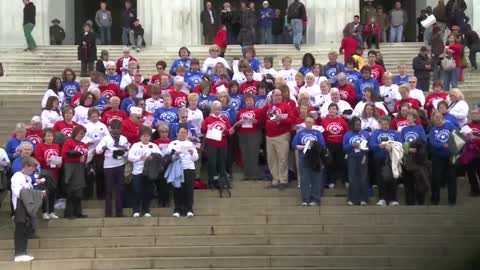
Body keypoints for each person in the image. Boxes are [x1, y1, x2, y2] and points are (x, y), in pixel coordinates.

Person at [11, 156, 43, 262]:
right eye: (32, 168)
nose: (33, 170)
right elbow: (19, 192)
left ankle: (23, 252)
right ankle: (19, 253)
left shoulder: (29, 178)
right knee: (20, 229)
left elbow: (29, 190)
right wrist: (36, 194)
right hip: (20, 206)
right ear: (26, 166)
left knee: (26, 229)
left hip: (27, 206)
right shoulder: (17, 176)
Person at [96, 119, 129, 217]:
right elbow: (97, 150)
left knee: (120, 189)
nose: (116, 130)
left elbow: (128, 151)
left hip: (120, 164)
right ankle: (108, 212)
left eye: (118, 128)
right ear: (110, 128)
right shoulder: (106, 138)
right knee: (109, 190)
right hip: (109, 166)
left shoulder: (123, 138)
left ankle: (119, 212)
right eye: (114, 128)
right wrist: (103, 148)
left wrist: (123, 152)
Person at [261, 89, 294, 189]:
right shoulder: (270, 107)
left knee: (282, 159)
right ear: (272, 96)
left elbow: (292, 119)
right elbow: (262, 117)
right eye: (276, 95)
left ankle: (283, 180)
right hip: (269, 136)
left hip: (282, 135)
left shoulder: (286, 106)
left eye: (280, 95)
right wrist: (265, 106)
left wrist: (282, 119)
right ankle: (275, 180)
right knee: (271, 159)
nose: (278, 97)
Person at [128, 126, 161, 217]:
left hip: (149, 172)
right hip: (137, 172)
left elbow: (159, 156)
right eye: (144, 136)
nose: (146, 138)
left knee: (148, 192)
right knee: (137, 191)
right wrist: (140, 158)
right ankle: (136, 210)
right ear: (140, 136)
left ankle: (146, 210)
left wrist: (152, 157)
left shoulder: (153, 146)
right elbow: (130, 157)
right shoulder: (135, 145)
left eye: (147, 136)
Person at [292, 117, 326, 206]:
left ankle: (315, 199)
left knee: (316, 179)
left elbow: (322, 144)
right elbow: (294, 145)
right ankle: (305, 199)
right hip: (304, 158)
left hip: (315, 159)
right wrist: (304, 147)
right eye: (307, 122)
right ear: (304, 123)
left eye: (311, 122)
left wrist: (313, 145)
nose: (309, 124)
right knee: (304, 179)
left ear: (313, 123)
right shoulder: (300, 133)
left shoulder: (317, 133)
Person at [369, 116, 402, 206]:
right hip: (379, 159)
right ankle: (382, 199)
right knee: (380, 179)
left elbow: (400, 144)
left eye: (386, 124)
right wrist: (379, 146)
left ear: (389, 124)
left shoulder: (394, 133)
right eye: (382, 124)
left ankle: (393, 199)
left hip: (392, 159)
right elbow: (371, 144)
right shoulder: (376, 133)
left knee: (393, 179)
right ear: (380, 124)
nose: (384, 126)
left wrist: (392, 147)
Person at [167, 126, 199, 217]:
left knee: (189, 190)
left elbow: (196, 158)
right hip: (177, 169)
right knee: (177, 189)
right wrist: (175, 154)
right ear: (177, 133)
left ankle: (189, 209)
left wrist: (192, 153)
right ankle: (177, 209)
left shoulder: (191, 143)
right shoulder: (173, 143)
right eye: (181, 132)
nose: (183, 134)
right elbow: (168, 157)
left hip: (189, 168)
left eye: (185, 132)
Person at [201, 101, 233, 189]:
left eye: (219, 109)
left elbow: (230, 132)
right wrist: (207, 128)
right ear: (212, 109)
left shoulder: (224, 119)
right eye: (215, 109)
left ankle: (222, 181)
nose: (217, 111)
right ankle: (212, 181)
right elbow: (202, 131)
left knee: (222, 162)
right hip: (212, 144)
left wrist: (226, 131)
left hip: (223, 144)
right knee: (212, 163)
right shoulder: (208, 119)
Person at [429, 112, 457, 205]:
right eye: (435, 122)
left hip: (450, 156)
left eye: (439, 120)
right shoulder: (433, 129)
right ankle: (435, 199)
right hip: (438, 157)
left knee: (451, 179)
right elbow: (432, 142)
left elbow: (458, 136)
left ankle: (452, 200)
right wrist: (442, 145)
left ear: (442, 119)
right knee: (435, 178)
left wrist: (452, 147)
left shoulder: (449, 125)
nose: (438, 123)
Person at [234, 93, 263, 180]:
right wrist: (239, 123)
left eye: (250, 100)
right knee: (245, 154)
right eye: (247, 100)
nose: (249, 102)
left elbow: (261, 123)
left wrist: (256, 121)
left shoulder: (258, 111)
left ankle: (254, 174)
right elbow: (236, 124)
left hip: (254, 134)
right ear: (245, 102)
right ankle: (246, 174)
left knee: (253, 154)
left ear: (254, 101)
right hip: (243, 134)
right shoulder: (241, 112)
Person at [62, 125, 88, 219]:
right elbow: (64, 154)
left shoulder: (83, 144)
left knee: (79, 190)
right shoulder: (69, 142)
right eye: (81, 133)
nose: (82, 135)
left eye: (84, 134)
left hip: (80, 168)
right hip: (71, 166)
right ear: (76, 132)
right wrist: (77, 155)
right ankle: (69, 212)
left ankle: (78, 212)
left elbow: (86, 156)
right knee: (71, 190)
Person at [321, 103, 349, 189]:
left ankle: (346, 180)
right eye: (330, 109)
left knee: (343, 163)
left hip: (340, 144)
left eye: (334, 109)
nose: (332, 110)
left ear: (337, 111)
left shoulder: (342, 120)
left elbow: (346, 132)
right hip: (329, 145)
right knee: (330, 163)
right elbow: (322, 134)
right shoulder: (324, 121)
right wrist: (325, 147)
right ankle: (331, 181)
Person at [343, 117, 370, 206]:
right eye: (357, 124)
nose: (359, 126)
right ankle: (352, 199)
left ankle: (363, 199)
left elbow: (369, 147)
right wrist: (352, 145)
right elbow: (344, 148)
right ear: (352, 125)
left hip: (362, 157)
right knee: (352, 178)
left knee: (363, 178)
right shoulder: (347, 134)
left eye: (360, 124)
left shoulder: (365, 134)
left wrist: (363, 147)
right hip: (352, 158)